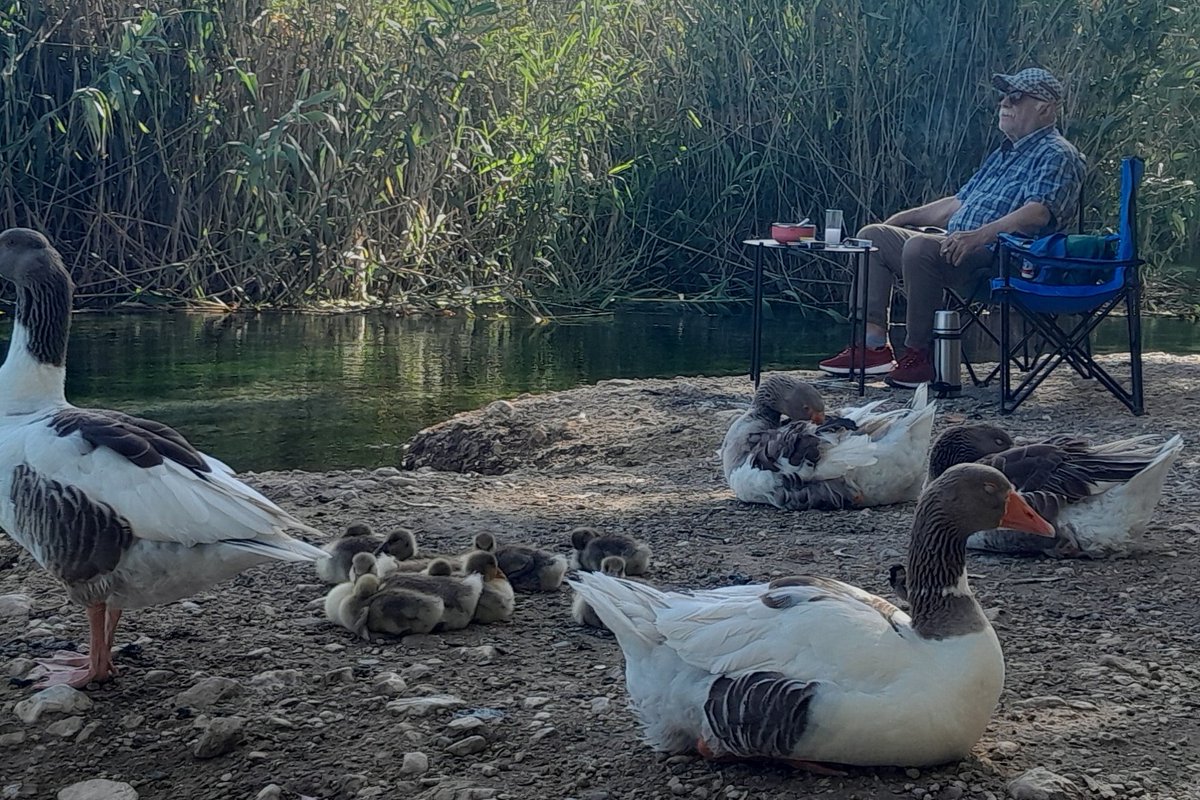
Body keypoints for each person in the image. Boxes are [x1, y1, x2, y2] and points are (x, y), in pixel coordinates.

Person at [817, 67, 1085, 388]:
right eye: (1003, 96)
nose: (1004, 103)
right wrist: (903, 219)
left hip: (1003, 258)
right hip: (957, 244)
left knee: (919, 247)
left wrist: (982, 234)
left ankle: (920, 355)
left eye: (1015, 97)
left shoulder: (1059, 154)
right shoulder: (1003, 154)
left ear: (1045, 106)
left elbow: (1039, 213)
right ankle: (873, 346)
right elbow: (957, 204)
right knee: (871, 236)